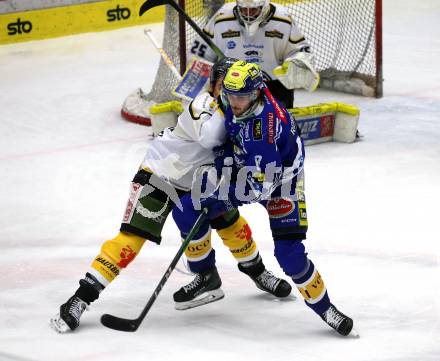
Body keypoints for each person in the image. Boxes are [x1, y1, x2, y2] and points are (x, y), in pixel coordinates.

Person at [50, 57, 291, 333]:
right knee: (132, 238)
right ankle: (79, 299)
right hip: (160, 175)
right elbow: (211, 139)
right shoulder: (203, 105)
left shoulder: (244, 112)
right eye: (226, 87)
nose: (232, 96)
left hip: (199, 180)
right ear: (214, 86)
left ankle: (255, 273)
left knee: (229, 222)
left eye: (239, 90)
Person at [172, 60, 356, 336]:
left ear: (257, 93)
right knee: (186, 207)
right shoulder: (240, 95)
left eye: (241, 96)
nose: (234, 101)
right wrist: (223, 157)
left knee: (289, 255)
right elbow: (228, 112)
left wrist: (221, 194)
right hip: (250, 166)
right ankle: (206, 275)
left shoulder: (264, 129)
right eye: (230, 93)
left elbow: (261, 186)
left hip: (280, 182)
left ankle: (326, 308)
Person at [188, 0, 320, 108]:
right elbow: (199, 55)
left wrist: (296, 64)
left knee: (277, 132)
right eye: (244, 9)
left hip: (273, 86)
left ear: (264, 5)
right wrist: (208, 82)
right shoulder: (222, 18)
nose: (248, 14)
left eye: (253, 9)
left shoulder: (283, 19)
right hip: (232, 87)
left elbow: (301, 51)